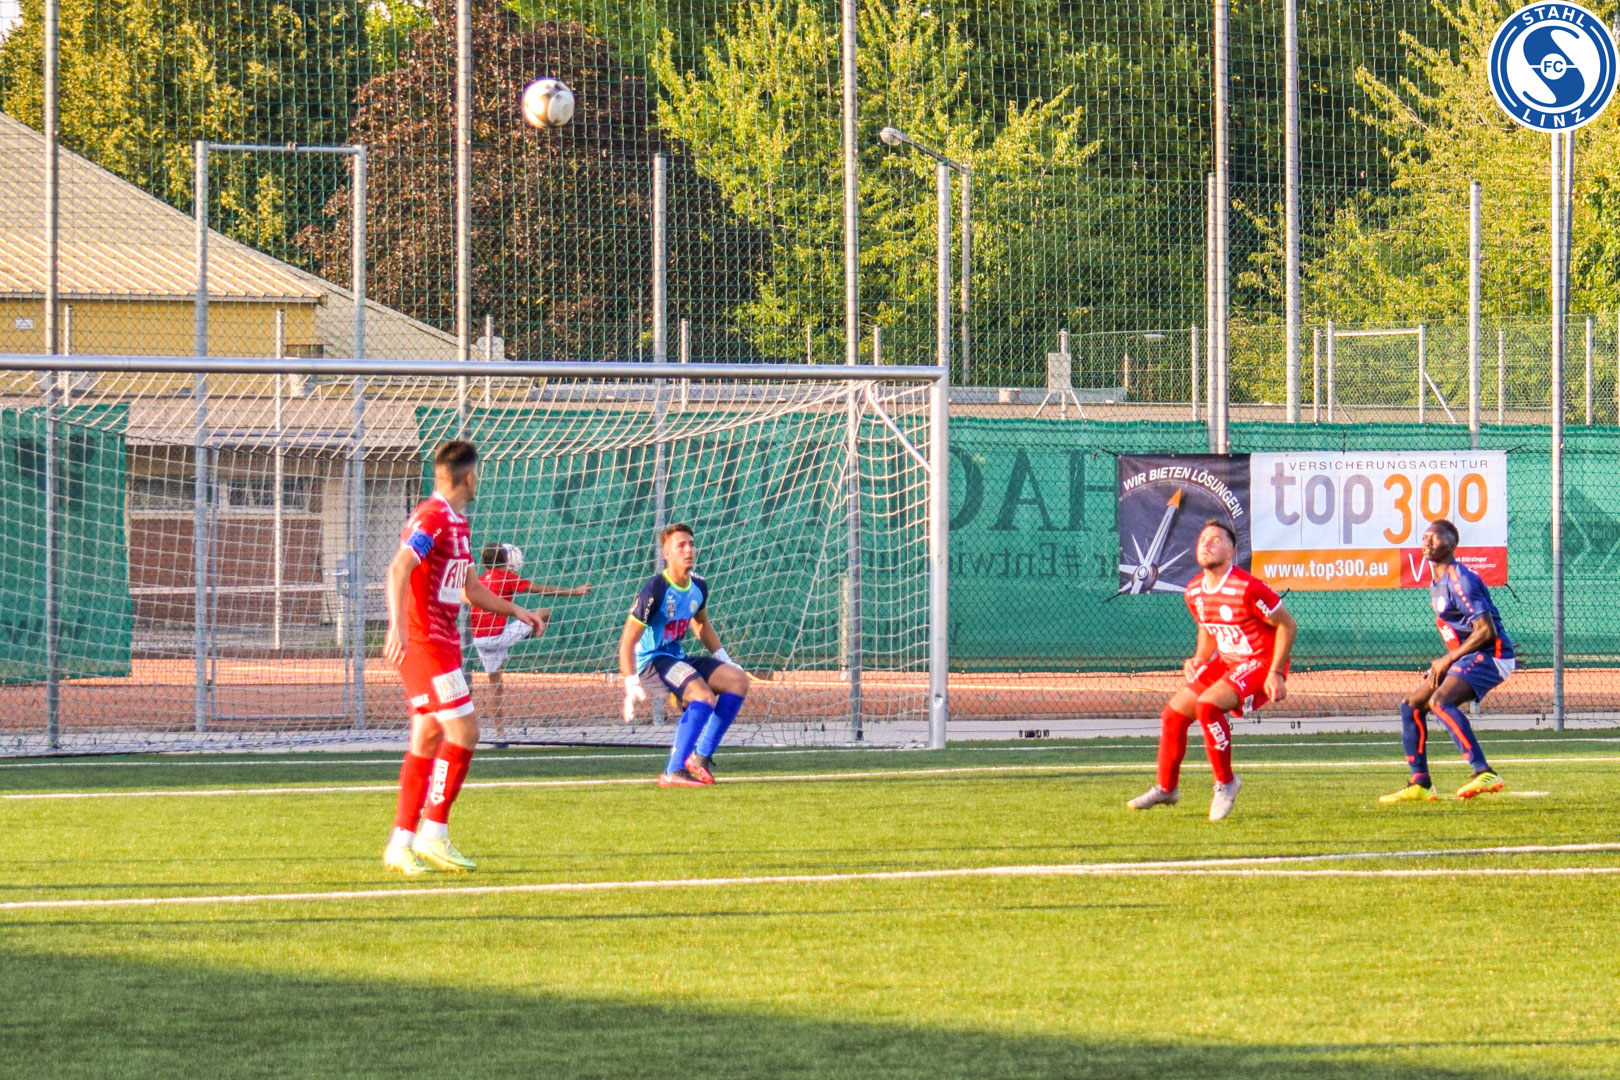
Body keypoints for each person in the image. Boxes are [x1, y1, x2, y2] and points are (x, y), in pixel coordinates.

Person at [382, 440, 547, 875]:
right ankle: (434, 834)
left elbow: (470, 589)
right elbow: (399, 567)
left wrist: (516, 610)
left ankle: (401, 844)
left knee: (427, 738)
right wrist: (397, 626)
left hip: (441, 643)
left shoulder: (456, 522)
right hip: (426, 643)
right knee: (466, 731)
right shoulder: (433, 518)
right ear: (470, 477)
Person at [1128, 519, 1297, 821]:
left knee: (1207, 706)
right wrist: (1199, 658)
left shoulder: (1247, 587)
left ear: (1231, 551)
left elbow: (1287, 625)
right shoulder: (1194, 590)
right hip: (1228, 661)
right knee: (1173, 715)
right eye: (1202, 539)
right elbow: (1208, 628)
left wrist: (1275, 672)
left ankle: (1226, 783)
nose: (1206, 544)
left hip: (1261, 661)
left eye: (1216, 540)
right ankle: (1166, 788)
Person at [1380, 519, 1512, 803]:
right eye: (1425, 537)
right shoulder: (1437, 582)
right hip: (1469, 655)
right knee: (1411, 705)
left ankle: (1484, 771)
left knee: (1440, 702)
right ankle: (1420, 783)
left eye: (1436, 538)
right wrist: (1448, 662)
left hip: (1492, 655)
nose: (1427, 542)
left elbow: (1486, 631)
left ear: (1452, 545)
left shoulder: (1460, 579)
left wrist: (1447, 660)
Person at [618, 523, 750, 787]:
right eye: (681, 545)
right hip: (652, 662)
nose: (688, 550)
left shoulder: (698, 586)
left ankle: (700, 758)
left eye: (691, 544)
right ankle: (673, 770)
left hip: (677, 658)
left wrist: (723, 657)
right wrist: (630, 682)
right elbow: (627, 641)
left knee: (738, 680)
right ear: (666, 554)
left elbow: (700, 624)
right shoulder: (655, 589)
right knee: (703, 696)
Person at [470, 542, 591, 735]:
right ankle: (535, 629)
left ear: (484, 564)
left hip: (479, 639)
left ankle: (500, 733)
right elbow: (542, 589)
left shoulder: (479, 581)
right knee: (544, 613)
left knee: (496, 684)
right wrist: (575, 591)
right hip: (499, 636)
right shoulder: (507, 577)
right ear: (507, 560)